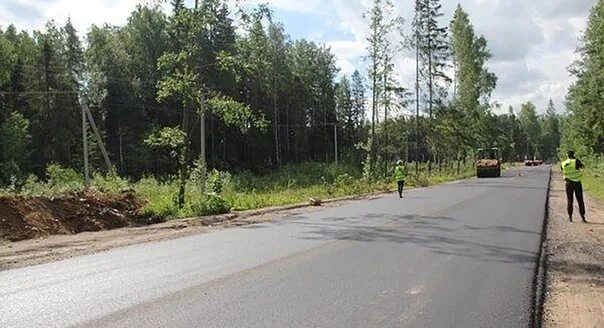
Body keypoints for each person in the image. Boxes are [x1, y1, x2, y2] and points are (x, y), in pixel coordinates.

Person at [561, 151, 587, 223]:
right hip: (577, 183)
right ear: (574, 155)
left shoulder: (563, 163)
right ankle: (583, 217)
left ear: (567, 155)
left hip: (568, 183)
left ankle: (570, 217)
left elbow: (562, 171)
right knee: (580, 200)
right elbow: (583, 167)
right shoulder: (576, 161)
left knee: (570, 200)